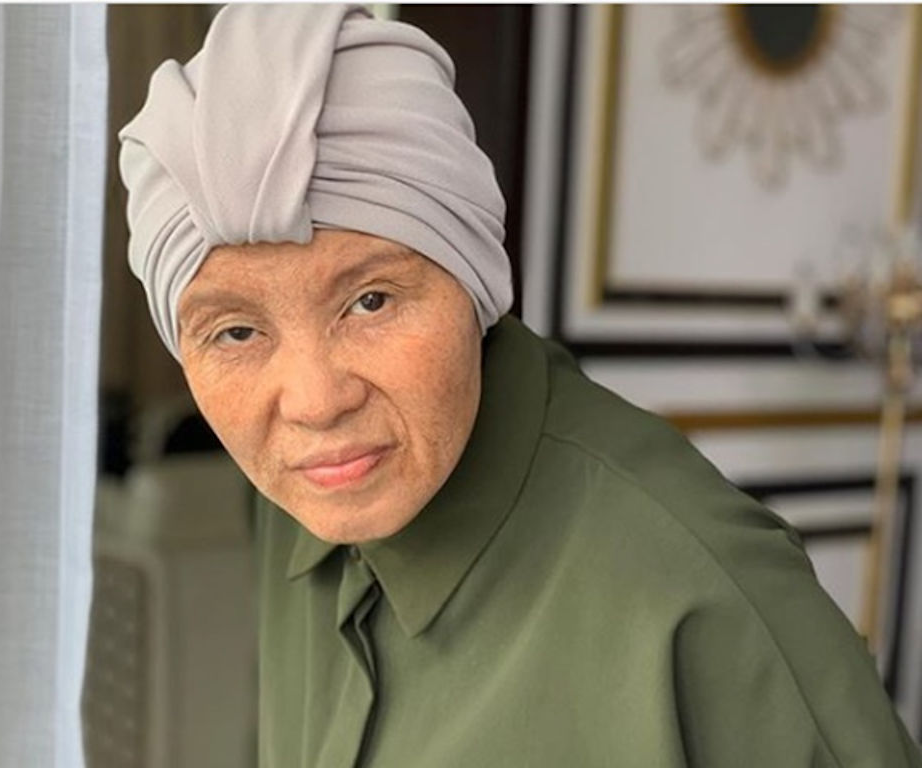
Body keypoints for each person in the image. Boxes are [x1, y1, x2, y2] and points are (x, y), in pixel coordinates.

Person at [118, 5, 922, 766]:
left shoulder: (703, 588)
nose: (315, 402)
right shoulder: (298, 498)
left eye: (371, 301)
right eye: (236, 333)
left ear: (473, 281)